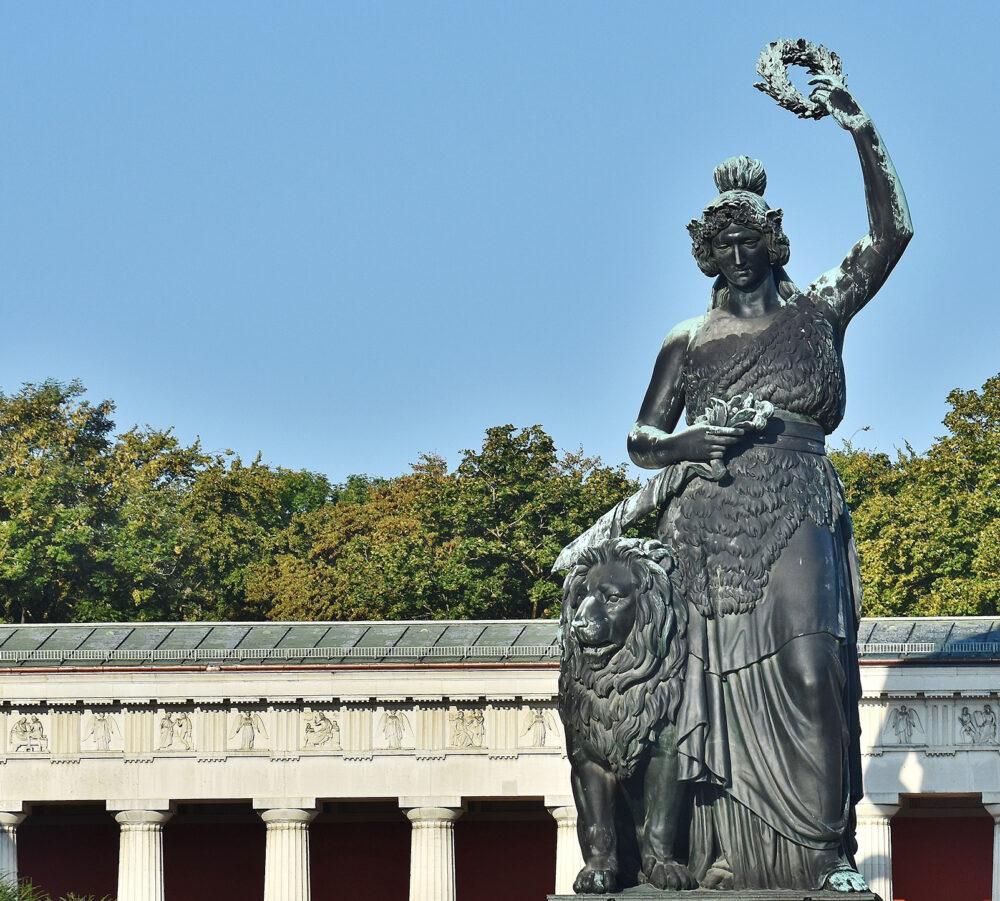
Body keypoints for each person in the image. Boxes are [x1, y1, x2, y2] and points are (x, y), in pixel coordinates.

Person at [628, 74, 912, 892]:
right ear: (708, 253)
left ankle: (827, 852)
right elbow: (642, 438)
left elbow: (892, 231)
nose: (739, 253)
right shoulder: (689, 338)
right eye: (724, 244)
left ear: (772, 241)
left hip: (796, 498)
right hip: (708, 519)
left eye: (750, 238)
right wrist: (692, 440)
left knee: (814, 666)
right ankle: (705, 848)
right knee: (700, 691)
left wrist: (858, 126)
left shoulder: (819, 310)